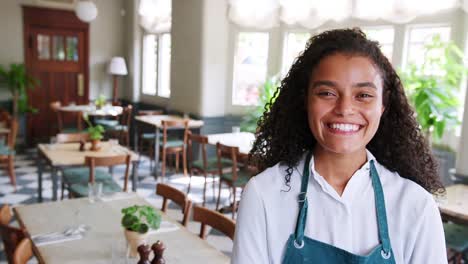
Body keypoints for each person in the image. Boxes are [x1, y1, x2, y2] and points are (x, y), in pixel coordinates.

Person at [231, 28, 447, 264]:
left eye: (363, 95)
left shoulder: (416, 206)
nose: (344, 109)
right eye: (327, 93)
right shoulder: (264, 195)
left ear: (383, 106)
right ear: (306, 101)